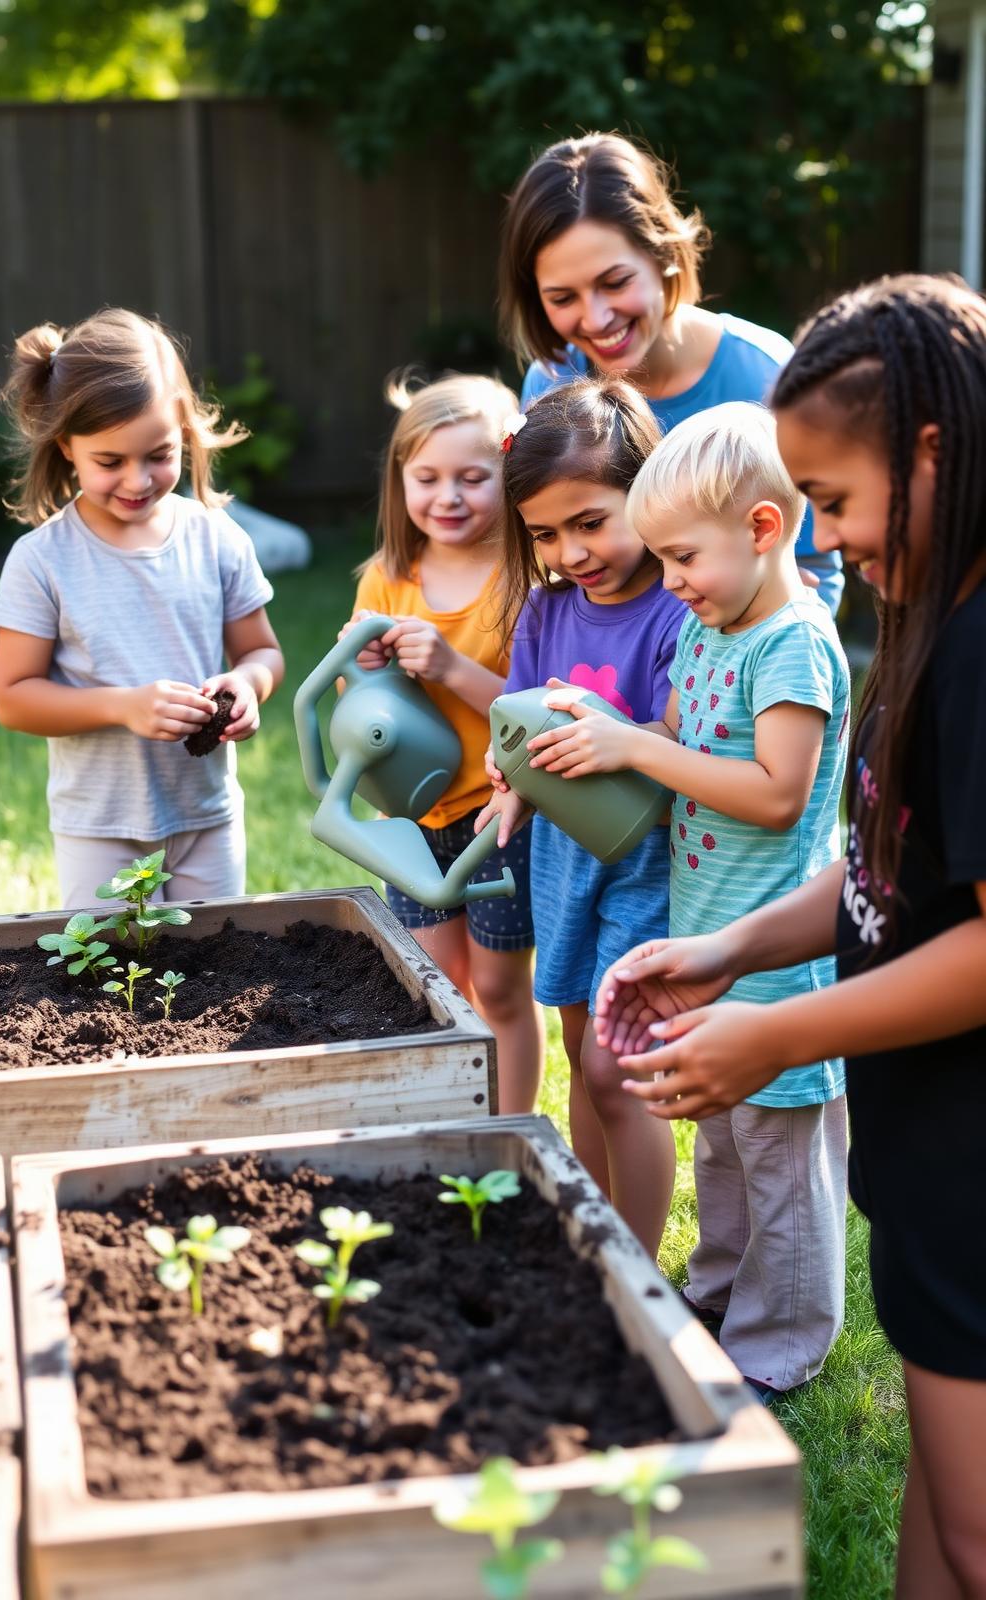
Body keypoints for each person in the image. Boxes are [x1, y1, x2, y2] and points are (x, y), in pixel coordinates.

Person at [596, 275, 986, 1596]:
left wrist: (781, 1032)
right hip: (932, 1170)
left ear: (929, 454)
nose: (821, 536)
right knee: (942, 1516)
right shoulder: (925, 619)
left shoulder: (982, 651)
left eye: (830, 501)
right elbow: (885, 875)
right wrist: (729, 953)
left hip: (975, 1168)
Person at [548, 401, 850, 1396]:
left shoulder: (793, 645)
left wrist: (642, 745)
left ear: (764, 529)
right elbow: (668, 732)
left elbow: (777, 794)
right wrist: (607, 723)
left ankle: (783, 1342)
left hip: (779, 955)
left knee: (778, 1157)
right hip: (705, 939)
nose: (668, 583)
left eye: (683, 560)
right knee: (722, 1136)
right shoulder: (709, 627)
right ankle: (720, 1288)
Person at [474, 376, 682, 1256]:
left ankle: (634, 1262)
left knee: (616, 1066)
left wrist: (616, 737)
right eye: (546, 535)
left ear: (649, 489)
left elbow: (673, 740)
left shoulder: (679, 610)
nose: (570, 551)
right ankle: (595, 1233)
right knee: (578, 1052)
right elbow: (519, 722)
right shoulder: (546, 611)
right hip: (563, 860)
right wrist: (508, 775)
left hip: (644, 866)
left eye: (591, 522)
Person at [0, 308, 283, 909]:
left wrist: (249, 685)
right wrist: (123, 706)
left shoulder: (218, 539)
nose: (138, 479)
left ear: (184, 434)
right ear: (66, 446)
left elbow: (262, 651)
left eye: (159, 454)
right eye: (110, 462)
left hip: (207, 817)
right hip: (100, 827)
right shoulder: (43, 561)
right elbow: (12, 697)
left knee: (215, 974)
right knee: (107, 987)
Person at [499, 131, 844, 615]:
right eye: (562, 298)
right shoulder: (551, 382)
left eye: (615, 282)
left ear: (662, 255)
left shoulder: (767, 375)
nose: (596, 319)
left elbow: (813, 568)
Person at [346, 374, 544, 1113]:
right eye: (426, 478)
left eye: (472, 477)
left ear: (509, 476)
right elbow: (362, 719)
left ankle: (514, 1123)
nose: (448, 497)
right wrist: (360, 675)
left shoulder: (527, 579)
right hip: (416, 814)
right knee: (435, 976)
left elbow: (536, 713)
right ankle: (447, 1115)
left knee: (497, 985)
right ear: (399, 482)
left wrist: (453, 668)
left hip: (502, 811)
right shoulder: (388, 579)